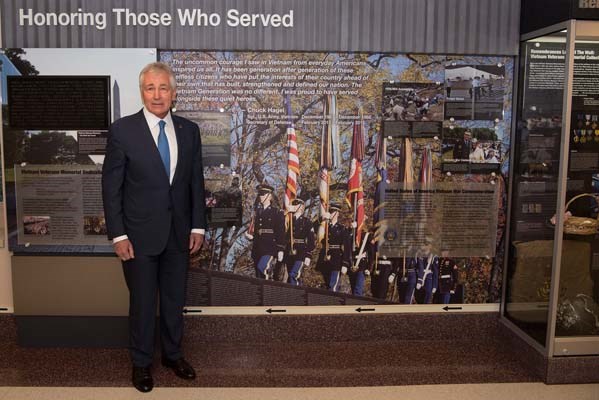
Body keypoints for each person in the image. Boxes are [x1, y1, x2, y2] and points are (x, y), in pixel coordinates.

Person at [102, 62, 206, 393]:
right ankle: (141, 363)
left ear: (173, 94)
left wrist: (198, 227)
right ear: (142, 92)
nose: (157, 95)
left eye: (163, 88)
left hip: (179, 235)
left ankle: (173, 356)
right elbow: (111, 187)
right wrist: (118, 234)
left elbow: (195, 183)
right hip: (138, 236)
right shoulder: (123, 131)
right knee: (143, 304)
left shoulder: (190, 131)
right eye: (150, 88)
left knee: (174, 302)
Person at [250, 183, 286, 279]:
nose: (261, 196)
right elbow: (257, 230)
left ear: (269, 196)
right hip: (257, 246)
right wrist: (252, 237)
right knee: (258, 274)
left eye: (263, 194)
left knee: (262, 267)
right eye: (260, 194)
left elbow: (281, 231)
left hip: (270, 247)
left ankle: (267, 289)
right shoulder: (258, 212)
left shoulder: (277, 212)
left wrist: (280, 249)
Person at [316, 203, 351, 292]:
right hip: (325, 257)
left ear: (337, 213)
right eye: (330, 211)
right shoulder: (324, 226)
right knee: (327, 283)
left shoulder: (342, 228)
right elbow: (313, 227)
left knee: (333, 285)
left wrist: (345, 263)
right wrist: (322, 219)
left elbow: (346, 247)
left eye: (333, 212)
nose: (330, 213)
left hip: (336, 258)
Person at [284, 198, 316, 286]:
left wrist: (308, 255)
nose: (294, 206)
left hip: (301, 251)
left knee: (293, 275)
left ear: (302, 207)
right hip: (289, 250)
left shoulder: (307, 222)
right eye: (293, 204)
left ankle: (296, 295)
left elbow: (311, 240)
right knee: (291, 275)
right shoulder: (288, 220)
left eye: (296, 205)